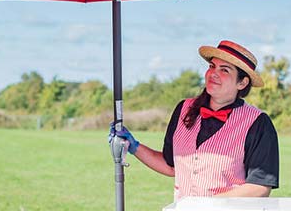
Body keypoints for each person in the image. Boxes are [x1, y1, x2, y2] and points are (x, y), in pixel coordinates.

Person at [112, 40, 278, 199]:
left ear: (242, 83)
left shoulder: (258, 123)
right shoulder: (184, 109)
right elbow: (171, 166)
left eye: (224, 70)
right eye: (212, 66)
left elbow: (259, 187)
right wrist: (134, 146)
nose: (214, 73)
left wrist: (207, 205)